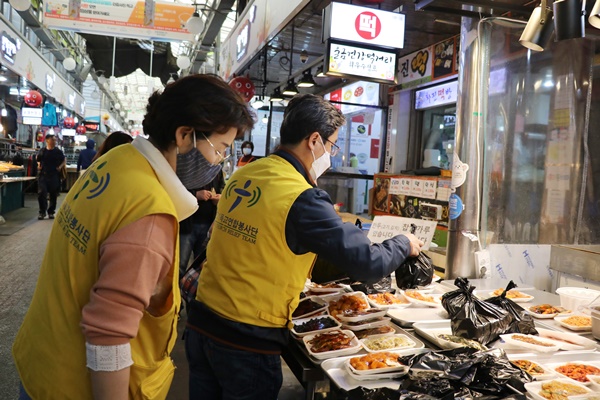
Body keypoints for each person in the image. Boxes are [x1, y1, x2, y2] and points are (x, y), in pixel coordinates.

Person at [12, 74, 254, 400]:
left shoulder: (116, 161)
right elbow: (108, 337)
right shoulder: (148, 211)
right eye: (220, 149)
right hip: (75, 387)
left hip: (42, 364)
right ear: (184, 135)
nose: (219, 162)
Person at [185, 94, 423, 400]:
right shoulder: (300, 196)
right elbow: (367, 263)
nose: (333, 156)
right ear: (314, 140)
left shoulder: (246, 174)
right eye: (333, 145)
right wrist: (404, 242)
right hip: (246, 339)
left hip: (202, 323)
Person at [177, 168, 225, 280]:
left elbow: (222, 189)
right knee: (179, 267)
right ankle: (176, 294)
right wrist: (196, 194)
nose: (218, 155)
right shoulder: (189, 166)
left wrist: (219, 198)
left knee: (202, 268)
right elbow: (176, 192)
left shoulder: (217, 170)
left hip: (208, 226)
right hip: (187, 225)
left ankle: (193, 295)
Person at [36, 134, 65, 220]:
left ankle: (51, 212)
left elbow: (63, 159)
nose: (55, 141)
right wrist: (38, 165)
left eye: (55, 140)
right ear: (47, 140)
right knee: (41, 193)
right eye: (53, 140)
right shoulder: (43, 151)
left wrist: (60, 167)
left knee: (53, 194)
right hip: (43, 175)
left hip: (54, 175)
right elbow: (38, 159)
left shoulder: (58, 151)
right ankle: (42, 212)